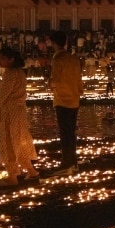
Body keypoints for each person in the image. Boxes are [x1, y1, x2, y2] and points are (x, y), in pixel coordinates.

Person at [0, 47, 41, 187]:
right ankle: (31, 172)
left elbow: (3, 94)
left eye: (2, 58)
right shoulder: (20, 72)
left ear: (11, 59)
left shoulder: (10, 74)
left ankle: (12, 177)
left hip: (9, 112)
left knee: (8, 142)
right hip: (19, 111)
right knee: (20, 140)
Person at [47, 31, 83, 176]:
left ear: (54, 44)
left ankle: (66, 162)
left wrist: (49, 83)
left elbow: (55, 80)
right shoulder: (73, 59)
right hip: (74, 99)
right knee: (71, 133)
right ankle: (72, 162)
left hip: (62, 100)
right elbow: (79, 79)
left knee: (65, 133)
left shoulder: (57, 60)